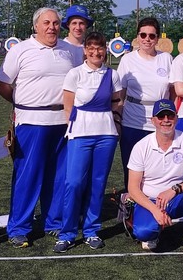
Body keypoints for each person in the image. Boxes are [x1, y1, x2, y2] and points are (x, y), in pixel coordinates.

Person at [0, 7, 84, 248]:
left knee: (59, 176)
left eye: (56, 23)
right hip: (31, 123)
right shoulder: (21, 50)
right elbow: (2, 84)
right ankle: (19, 228)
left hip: (63, 123)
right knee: (27, 176)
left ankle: (53, 222)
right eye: (46, 23)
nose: (51, 27)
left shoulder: (71, 51)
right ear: (36, 26)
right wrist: (23, 103)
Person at [53, 32, 122, 253]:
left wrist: (114, 127)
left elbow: (118, 102)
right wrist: (74, 129)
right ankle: (68, 233)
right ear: (85, 50)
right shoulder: (74, 74)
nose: (95, 52)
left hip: (106, 136)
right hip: (80, 135)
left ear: (105, 50)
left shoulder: (113, 75)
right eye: (91, 48)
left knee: (97, 184)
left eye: (100, 47)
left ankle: (91, 230)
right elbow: (68, 106)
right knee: (73, 183)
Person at [127, 99, 183, 259]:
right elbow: (133, 188)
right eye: (161, 116)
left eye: (170, 116)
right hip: (150, 201)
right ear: (153, 121)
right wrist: (155, 211)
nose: (166, 120)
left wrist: (174, 190)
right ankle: (154, 230)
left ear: (176, 118)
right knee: (144, 233)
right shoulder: (141, 146)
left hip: (178, 198)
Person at [117, 17, 174, 188]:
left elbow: (172, 92)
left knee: (158, 169)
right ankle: (130, 207)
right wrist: (118, 121)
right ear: (137, 37)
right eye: (143, 35)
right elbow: (120, 95)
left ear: (157, 38)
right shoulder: (127, 60)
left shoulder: (167, 59)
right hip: (133, 121)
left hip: (160, 122)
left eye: (151, 36)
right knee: (132, 167)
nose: (147, 39)